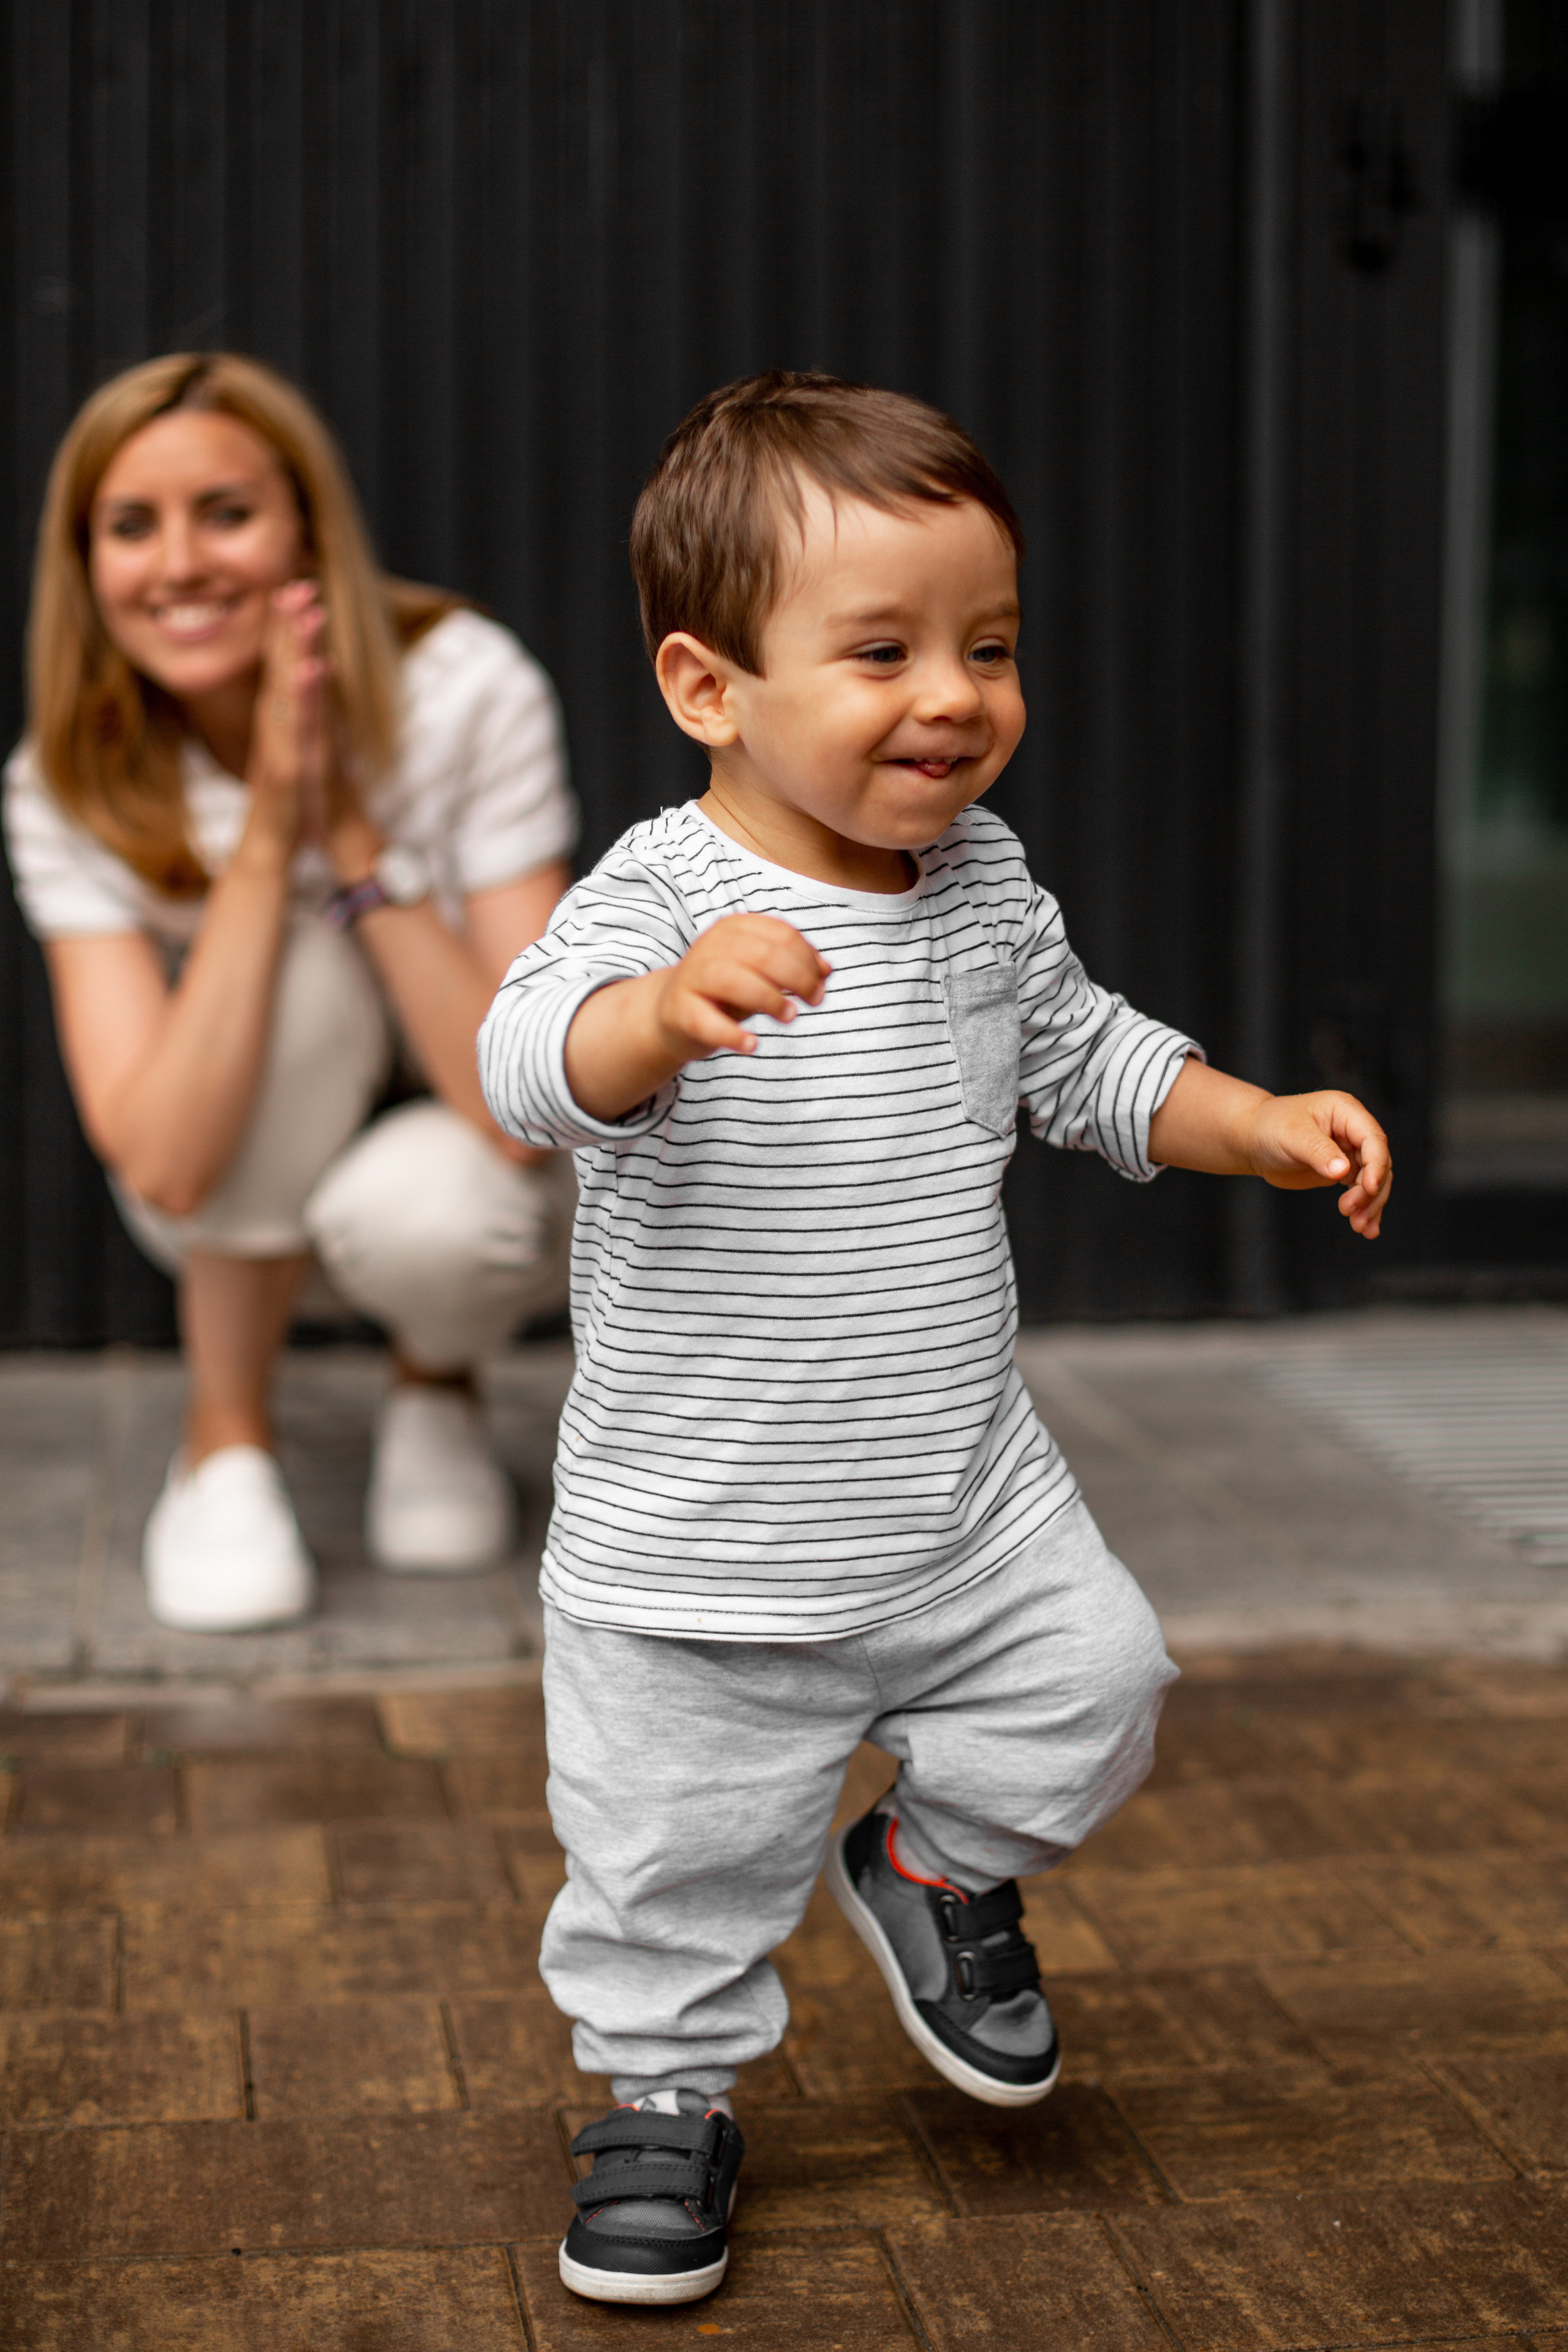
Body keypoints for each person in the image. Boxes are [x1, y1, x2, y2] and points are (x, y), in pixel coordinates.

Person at [478, 372, 1393, 2309]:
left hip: (964, 1505)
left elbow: (1095, 1061)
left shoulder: (981, 890)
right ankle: (664, 2092)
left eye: (990, 645)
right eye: (882, 650)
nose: (956, 695)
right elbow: (524, 1065)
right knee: (676, 1864)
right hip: (699, 1549)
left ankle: (937, 1866)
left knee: (1106, 1681)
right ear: (709, 688)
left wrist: (1260, 1127)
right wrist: (654, 1016)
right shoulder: (665, 891)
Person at [4, 352, 578, 1633]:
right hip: (221, 1194)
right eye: (131, 526)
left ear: (307, 529)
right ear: (85, 561)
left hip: (460, 1179)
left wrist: (354, 839)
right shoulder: (65, 781)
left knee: (434, 1173)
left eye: (227, 513)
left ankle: (435, 1386)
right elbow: (156, 1157)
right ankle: (224, 1445)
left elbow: (522, 1106)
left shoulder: (466, 686)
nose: (181, 564)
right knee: (289, 962)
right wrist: (268, 833)